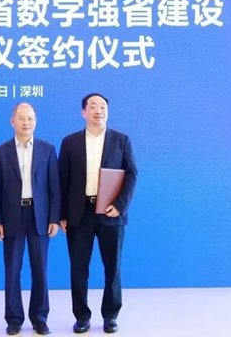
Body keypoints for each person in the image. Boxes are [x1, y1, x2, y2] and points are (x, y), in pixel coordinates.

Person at [58, 93, 137, 334]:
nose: (98, 110)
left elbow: (132, 174)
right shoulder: (70, 142)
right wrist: (62, 214)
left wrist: (120, 205)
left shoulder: (121, 140)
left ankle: (110, 315)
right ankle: (81, 316)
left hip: (110, 213)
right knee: (78, 268)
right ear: (84, 112)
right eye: (93, 106)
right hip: (79, 214)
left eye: (103, 106)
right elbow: (62, 179)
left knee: (113, 268)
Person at [0, 103, 60, 336]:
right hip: (12, 216)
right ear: (12, 121)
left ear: (36, 121)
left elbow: (54, 187)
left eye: (30, 118)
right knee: (12, 269)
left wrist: (54, 218)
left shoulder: (47, 149)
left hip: (39, 216)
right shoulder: (0, 152)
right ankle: (14, 319)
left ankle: (40, 318)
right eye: (21, 118)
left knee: (40, 269)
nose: (26, 123)